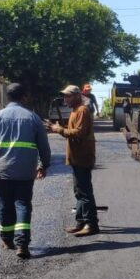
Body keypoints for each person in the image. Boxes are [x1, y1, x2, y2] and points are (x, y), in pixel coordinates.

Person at [0, 83, 51, 259]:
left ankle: (7, 239)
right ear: (24, 97)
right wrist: (43, 165)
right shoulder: (33, 118)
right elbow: (44, 147)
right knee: (23, 204)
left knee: (4, 204)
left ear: (8, 97)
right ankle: (22, 244)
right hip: (25, 171)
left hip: (3, 170)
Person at [47, 84, 99, 237]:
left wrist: (59, 130)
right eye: (64, 96)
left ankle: (91, 224)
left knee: (84, 192)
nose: (65, 99)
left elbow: (79, 133)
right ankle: (81, 222)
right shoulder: (75, 111)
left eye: (68, 96)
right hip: (77, 157)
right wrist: (58, 128)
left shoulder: (82, 110)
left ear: (77, 96)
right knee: (79, 191)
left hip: (83, 157)